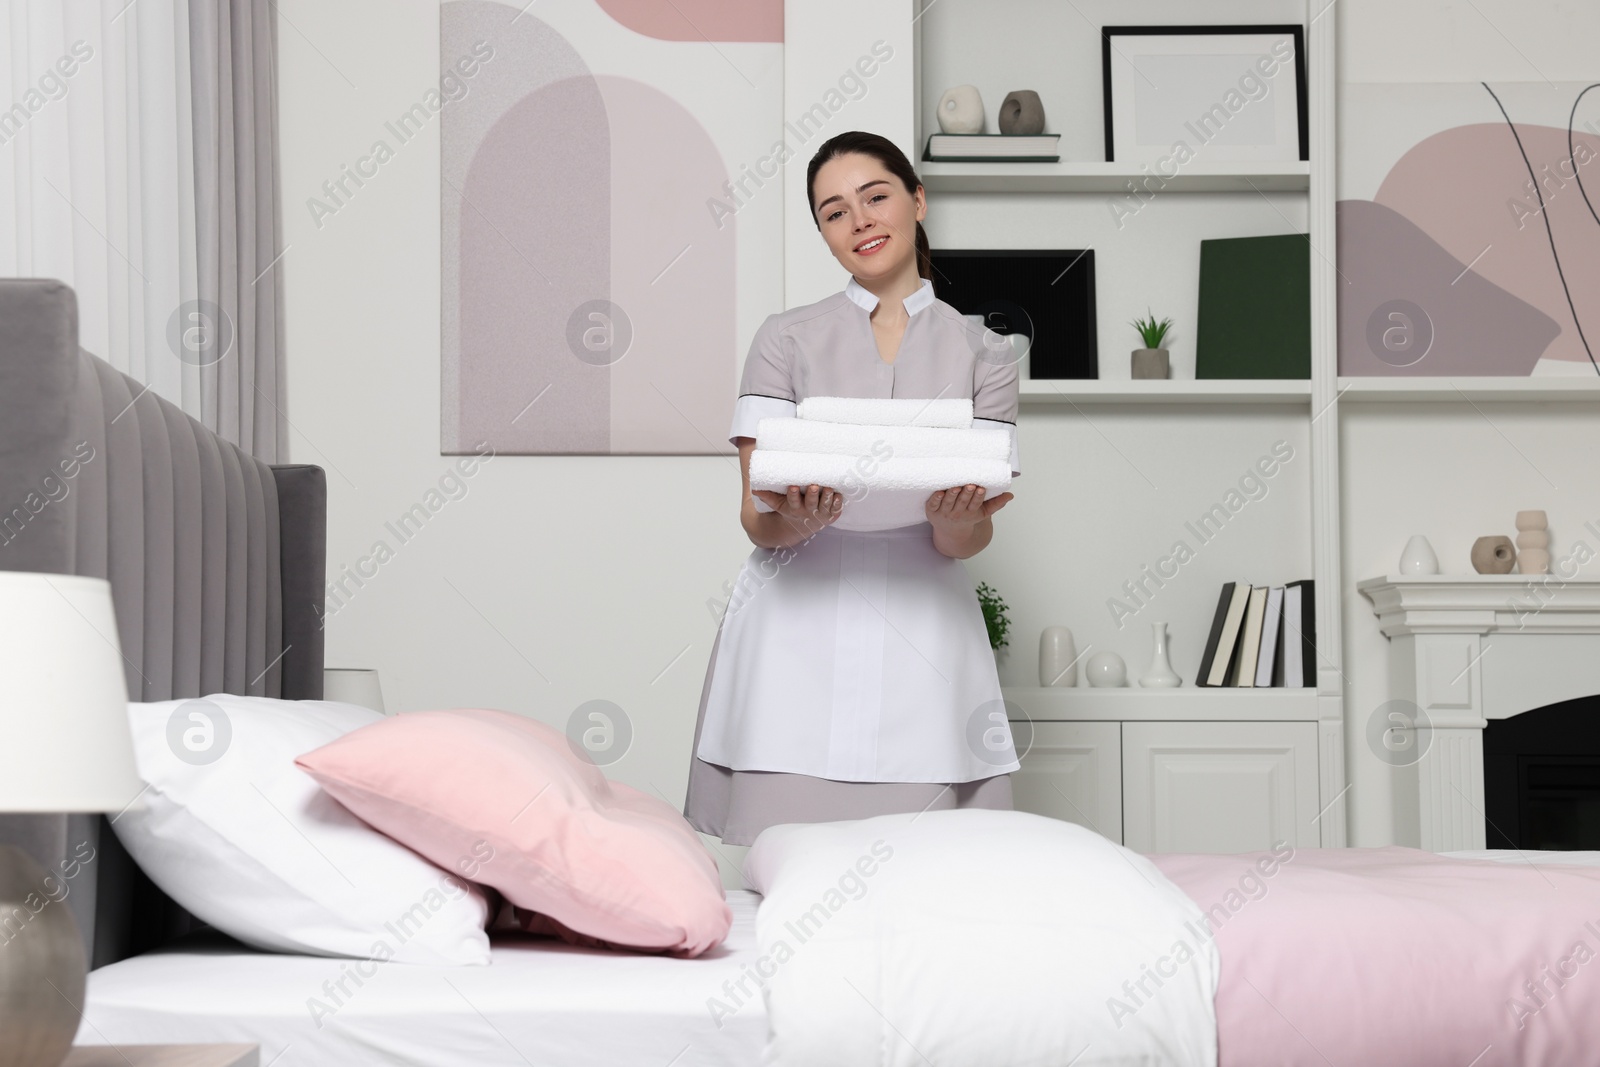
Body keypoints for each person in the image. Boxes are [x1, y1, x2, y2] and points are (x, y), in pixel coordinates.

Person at [682, 130, 1023, 846]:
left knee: (925, 866)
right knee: (778, 858)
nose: (860, 220)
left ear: (917, 199)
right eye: (834, 212)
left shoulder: (985, 351)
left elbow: (968, 537)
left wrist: (955, 518)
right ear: (823, 233)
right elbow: (756, 515)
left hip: (925, 631)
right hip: (792, 629)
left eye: (876, 196)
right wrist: (799, 520)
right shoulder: (785, 339)